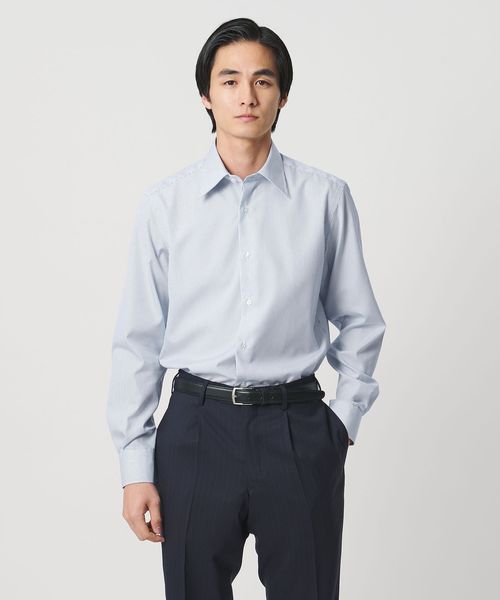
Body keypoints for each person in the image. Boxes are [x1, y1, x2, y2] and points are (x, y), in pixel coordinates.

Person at [106, 17, 386, 600]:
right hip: (195, 430)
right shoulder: (166, 206)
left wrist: (342, 422)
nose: (247, 95)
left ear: (282, 95)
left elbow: (360, 319)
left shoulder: (325, 198)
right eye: (229, 80)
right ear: (206, 96)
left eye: (263, 80)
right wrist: (135, 466)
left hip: (298, 429)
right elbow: (138, 340)